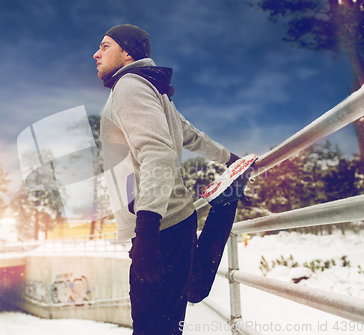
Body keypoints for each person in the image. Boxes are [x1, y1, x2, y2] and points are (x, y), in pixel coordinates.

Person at [94, 24, 241, 335]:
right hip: (176, 217)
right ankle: (225, 203)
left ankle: (226, 203)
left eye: (105, 46)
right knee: (190, 289)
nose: (96, 54)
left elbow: (157, 153)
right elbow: (189, 134)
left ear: (127, 53)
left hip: (157, 225)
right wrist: (229, 159)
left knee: (153, 327)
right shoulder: (150, 88)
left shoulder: (129, 87)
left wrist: (146, 230)